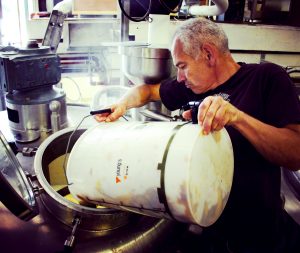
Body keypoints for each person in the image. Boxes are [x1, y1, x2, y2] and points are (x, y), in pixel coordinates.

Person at [94, 18, 300, 253]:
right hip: (209, 227)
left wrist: (237, 117)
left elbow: (295, 153)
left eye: (182, 66)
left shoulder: (266, 78)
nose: (179, 77)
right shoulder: (191, 86)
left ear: (208, 55)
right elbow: (146, 92)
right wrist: (121, 105)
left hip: (260, 234)